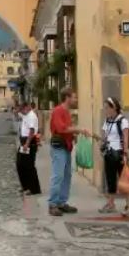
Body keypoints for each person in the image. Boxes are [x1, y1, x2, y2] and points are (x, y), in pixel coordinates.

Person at [48, 88, 91, 216]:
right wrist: (78, 129)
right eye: (74, 97)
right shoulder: (58, 111)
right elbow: (61, 129)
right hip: (59, 147)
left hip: (66, 146)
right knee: (58, 175)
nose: (76, 99)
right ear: (67, 97)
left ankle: (61, 202)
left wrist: (75, 135)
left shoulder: (66, 112)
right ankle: (53, 204)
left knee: (67, 175)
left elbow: (67, 129)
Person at [97, 97, 129, 216]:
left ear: (114, 108)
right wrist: (100, 141)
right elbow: (105, 137)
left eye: (107, 107)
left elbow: (125, 138)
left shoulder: (122, 121)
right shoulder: (107, 121)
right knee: (110, 179)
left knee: (124, 180)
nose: (106, 110)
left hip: (118, 154)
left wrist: (125, 154)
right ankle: (111, 203)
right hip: (109, 153)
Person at [16, 102, 41, 195]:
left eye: (22, 109)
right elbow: (18, 113)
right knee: (20, 164)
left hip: (29, 143)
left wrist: (27, 144)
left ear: (27, 107)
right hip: (24, 143)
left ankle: (34, 189)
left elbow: (32, 130)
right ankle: (25, 186)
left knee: (29, 165)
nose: (21, 111)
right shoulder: (26, 115)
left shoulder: (31, 116)